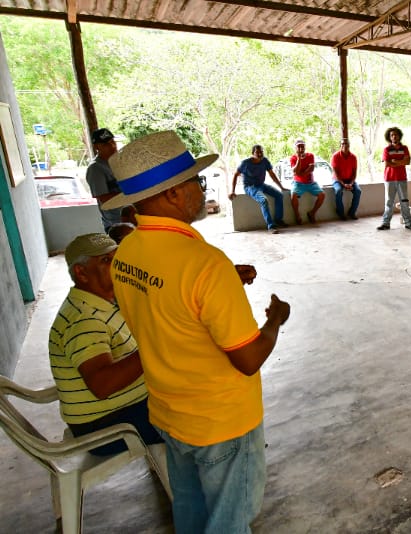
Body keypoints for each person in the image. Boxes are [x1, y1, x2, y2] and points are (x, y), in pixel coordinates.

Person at [102, 131, 291, 533]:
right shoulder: (204, 264)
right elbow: (248, 359)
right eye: (196, 183)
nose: (200, 191)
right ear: (172, 195)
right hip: (220, 422)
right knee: (228, 521)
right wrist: (274, 320)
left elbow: (163, 305)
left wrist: (223, 284)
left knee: (190, 512)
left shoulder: (126, 252)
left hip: (170, 414)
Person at [48, 233, 162, 455]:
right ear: (81, 273)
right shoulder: (84, 319)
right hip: (109, 427)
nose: (118, 267)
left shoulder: (103, 301)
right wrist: (154, 344)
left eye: (118, 259)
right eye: (106, 261)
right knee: (201, 412)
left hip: (123, 411)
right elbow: (102, 385)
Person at [229, 144, 288, 233]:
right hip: (250, 187)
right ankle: (271, 226)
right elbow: (235, 175)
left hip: (261, 185)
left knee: (279, 195)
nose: (260, 154)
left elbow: (272, 174)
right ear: (253, 153)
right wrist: (232, 191)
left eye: (261, 152)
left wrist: (281, 187)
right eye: (257, 152)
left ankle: (278, 220)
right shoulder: (245, 163)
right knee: (263, 200)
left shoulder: (265, 161)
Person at [377, 126, 411, 231]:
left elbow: (408, 162)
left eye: (395, 134)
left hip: (402, 178)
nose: (394, 136)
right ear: (389, 137)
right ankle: (385, 223)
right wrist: (400, 162)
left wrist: (395, 162)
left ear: (399, 136)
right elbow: (386, 164)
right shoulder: (387, 149)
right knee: (389, 202)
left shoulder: (405, 148)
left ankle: (408, 223)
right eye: (391, 135)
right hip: (389, 179)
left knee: (404, 201)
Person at [86, 128, 124, 232]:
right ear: (96, 147)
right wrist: (129, 192)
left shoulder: (120, 162)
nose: (112, 146)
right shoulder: (95, 168)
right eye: (105, 144)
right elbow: (103, 197)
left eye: (112, 142)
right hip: (116, 222)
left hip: (132, 215)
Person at [290, 139, 326, 224]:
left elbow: (312, 168)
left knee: (322, 195)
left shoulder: (310, 155)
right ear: (295, 148)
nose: (301, 148)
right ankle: (297, 215)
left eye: (302, 146)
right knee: (293, 196)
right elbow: (294, 171)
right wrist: (299, 159)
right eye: (299, 146)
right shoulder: (293, 158)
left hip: (310, 182)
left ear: (305, 147)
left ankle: (312, 213)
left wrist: (301, 174)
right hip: (298, 183)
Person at [330, 138, 361, 220]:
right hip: (337, 179)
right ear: (340, 145)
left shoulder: (353, 157)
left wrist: (351, 183)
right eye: (343, 144)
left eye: (346, 144)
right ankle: (340, 213)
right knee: (338, 190)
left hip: (349, 179)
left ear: (349, 145)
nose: (345, 145)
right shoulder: (335, 156)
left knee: (358, 191)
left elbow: (354, 173)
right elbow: (336, 174)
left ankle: (352, 212)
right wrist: (343, 184)